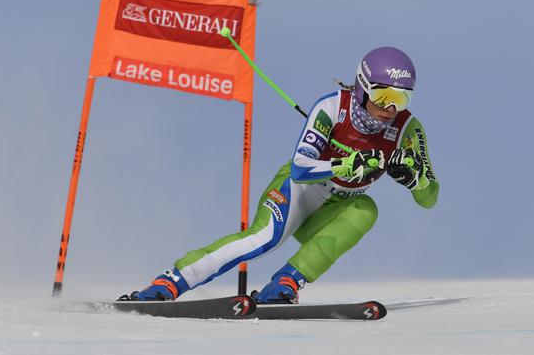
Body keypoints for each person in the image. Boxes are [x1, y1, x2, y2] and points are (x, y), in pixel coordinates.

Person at [120, 46, 439, 303]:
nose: (391, 108)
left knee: (367, 210)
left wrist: (416, 180)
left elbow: (430, 198)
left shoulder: (407, 129)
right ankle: (171, 282)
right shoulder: (332, 108)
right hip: (299, 191)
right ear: (363, 88)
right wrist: (345, 165)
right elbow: (301, 168)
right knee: (265, 238)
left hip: (337, 208)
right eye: (384, 96)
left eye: (401, 98)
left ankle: (285, 283)